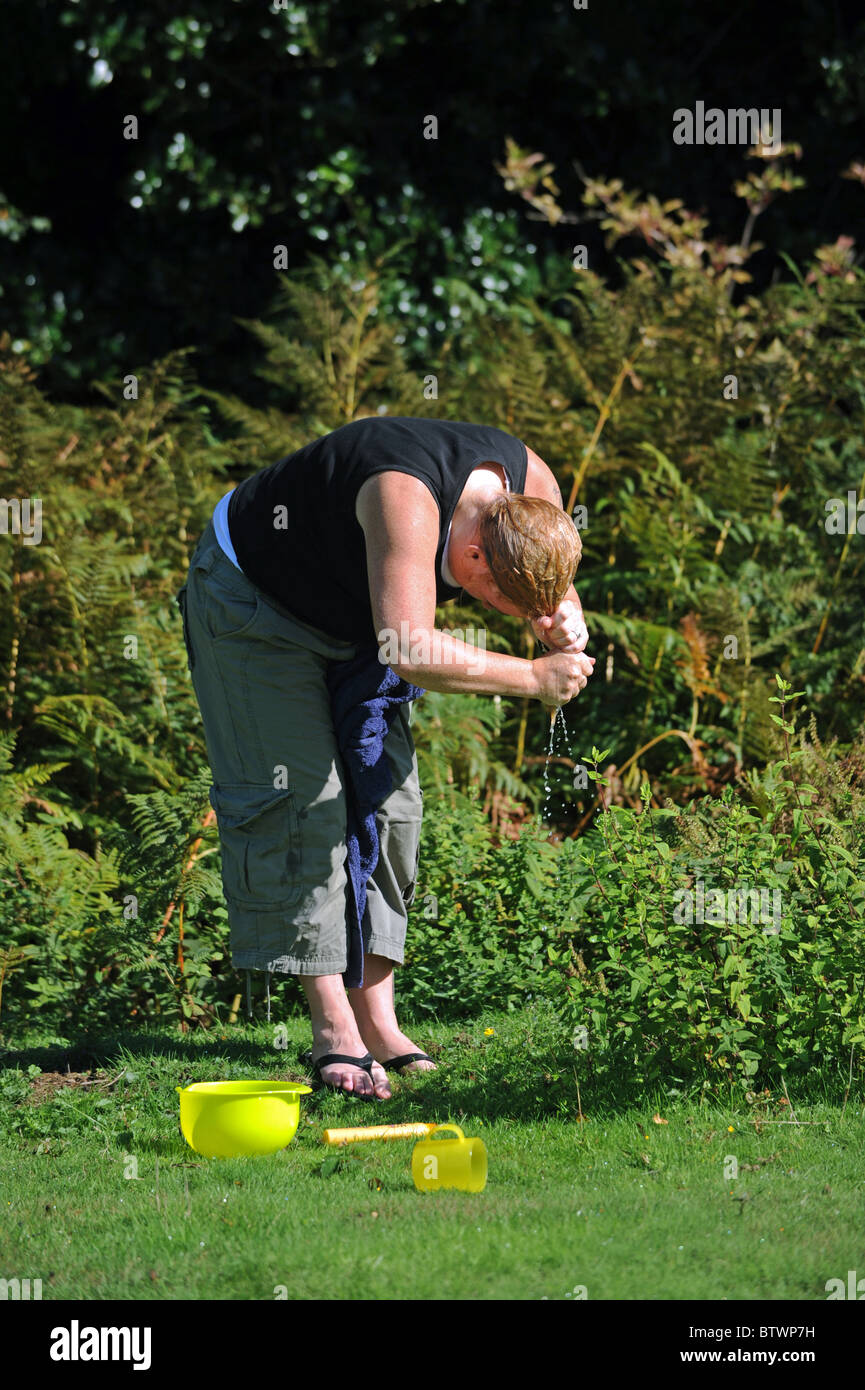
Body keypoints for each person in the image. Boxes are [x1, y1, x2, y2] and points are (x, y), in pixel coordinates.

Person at [175, 416, 594, 1102]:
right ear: (475, 560)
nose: (494, 609)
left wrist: (562, 610)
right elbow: (408, 645)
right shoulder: (402, 497)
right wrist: (531, 678)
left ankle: (381, 1025)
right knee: (304, 803)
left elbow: (551, 579)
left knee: (392, 807)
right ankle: (333, 1031)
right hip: (255, 604)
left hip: (352, 612)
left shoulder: (532, 488)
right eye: (494, 598)